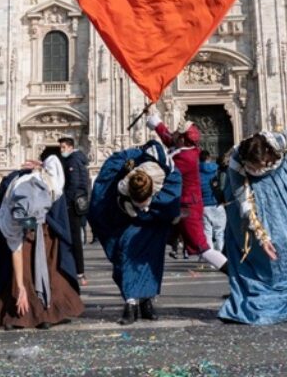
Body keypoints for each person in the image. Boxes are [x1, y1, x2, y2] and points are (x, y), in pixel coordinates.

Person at [219, 129, 287, 324]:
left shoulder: (279, 142)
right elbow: (244, 203)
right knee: (256, 249)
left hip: (286, 189)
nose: (258, 169)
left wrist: (284, 143)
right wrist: (262, 237)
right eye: (253, 166)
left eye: (262, 164)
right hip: (255, 199)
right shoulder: (236, 164)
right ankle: (262, 293)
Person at [89, 137, 182, 325]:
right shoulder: (121, 170)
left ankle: (147, 301)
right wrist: (125, 206)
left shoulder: (168, 172)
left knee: (151, 261)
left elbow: (172, 200)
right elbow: (103, 193)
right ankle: (130, 303)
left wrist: (151, 208)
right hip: (126, 223)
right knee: (126, 258)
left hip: (154, 223)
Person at [0, 155, 84, 329]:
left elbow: (53, 159)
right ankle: (29, 313)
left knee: (46, 266)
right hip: (31, 229)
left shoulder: (50, 184)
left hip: (46, 230)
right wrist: (21, 288)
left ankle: (42, 312)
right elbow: (15, 248)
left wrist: (41, 165)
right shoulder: (10, 217)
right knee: (26, 269)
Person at [147, 111, 228, 272]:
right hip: (180, 206)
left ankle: (234, 275)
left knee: (203, 248)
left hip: (187, 209)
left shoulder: (185, 158)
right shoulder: (187, 148)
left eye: (178, 134)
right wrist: (155, 122)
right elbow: (170, 139)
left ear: (183, 139)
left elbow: (164, 171)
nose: (175, 134)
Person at [57, 136, 89, 286]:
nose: (61, 150)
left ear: (70, 147)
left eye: (63, 147)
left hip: (73, 204)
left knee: (74, 238)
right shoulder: (77, 159)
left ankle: (78, 271)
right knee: (74, 237)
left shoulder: (73, 161)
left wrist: (65, 201)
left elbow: (74, 184)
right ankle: (78, 271)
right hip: (78, 202)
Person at [200, 150, 227, 254]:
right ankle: (219, 255)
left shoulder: (196, 172)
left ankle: (211, 257)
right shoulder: (216, 169)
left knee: (207, 232)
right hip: (217, 204)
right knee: (219, 232)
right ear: (209, 158)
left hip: (204, 206)